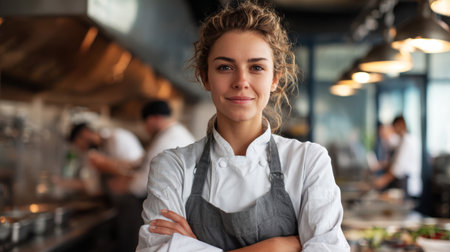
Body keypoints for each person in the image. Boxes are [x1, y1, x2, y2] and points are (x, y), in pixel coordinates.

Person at [137, 2, 350, 252]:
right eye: (225, 67)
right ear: (205, 77)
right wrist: (276, 247)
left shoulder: (308, 161)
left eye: (256, 67)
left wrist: (192, 246)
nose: (241, 81)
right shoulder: (173, 167)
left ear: (275, 79)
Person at [68, 122, 145, 252]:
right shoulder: (97, 151)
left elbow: (137, 175)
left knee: (133, 244)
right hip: (119, 207)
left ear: (85, 134)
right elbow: (95, 187)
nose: (80, 148)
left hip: (136, 206)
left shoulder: (119, 138)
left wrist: (107, 165)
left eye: (78, 143)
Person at [109, 99, 196, 198]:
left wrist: (123, 186)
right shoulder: (175, 132)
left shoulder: (168, 140)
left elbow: (145, 183)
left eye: (145, 123)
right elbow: (141, 162)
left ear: (153, 119)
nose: (145, 129)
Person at [373, 115, 422, 199]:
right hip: (406, 184)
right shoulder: (405, 139)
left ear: (400, 125)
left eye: (394, 127)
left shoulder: (407, 141)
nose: (394, 131)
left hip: (408, 185)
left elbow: (397, 168)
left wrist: (381, 181)